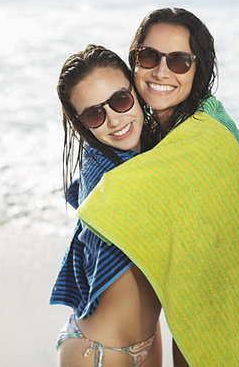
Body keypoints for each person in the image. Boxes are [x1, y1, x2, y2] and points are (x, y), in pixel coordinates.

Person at [77, 8, 239, 366]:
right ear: (134, 62)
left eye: (179, 61)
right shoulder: (156, 135)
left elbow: (109, 196)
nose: (161, 72)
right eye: (148, 57)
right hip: (196, 331)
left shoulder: (206, 135)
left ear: (200, 68)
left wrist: (95, 134)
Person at [50, 45, 162, 367]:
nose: (114, 120)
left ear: (137, 90)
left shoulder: (156, 156)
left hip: (148, 338)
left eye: (120, 100)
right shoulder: (102, 173)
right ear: (83, 125)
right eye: (95, 114)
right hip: (97, 352)